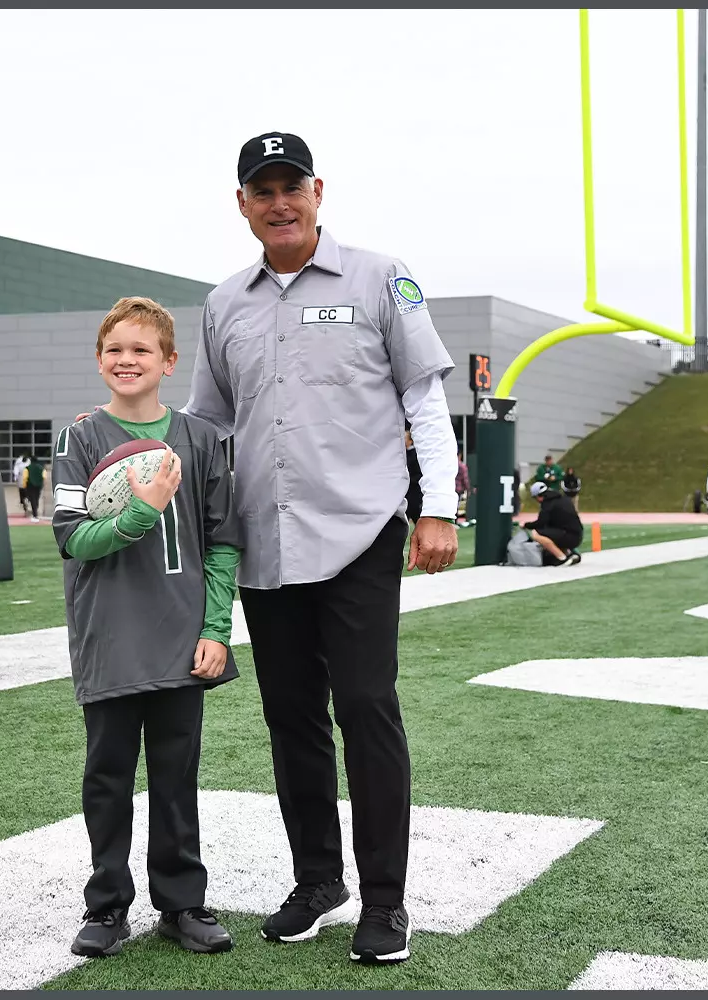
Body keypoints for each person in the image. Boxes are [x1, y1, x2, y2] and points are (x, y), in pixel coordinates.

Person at [181, 131, 460, 965]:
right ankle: (317, 879)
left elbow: (424, 396)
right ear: (242, 205)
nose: (279, 202)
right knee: (290, 718)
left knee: (368, 708)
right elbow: (210, 425)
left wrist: (438, 506)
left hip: (360, 530)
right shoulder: (223, 300)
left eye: (290, 186)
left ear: (318, 191)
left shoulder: (380, 277)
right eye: (261, 190)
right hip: (265, 539)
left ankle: (385, 901)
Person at [52, 296, 242, 960]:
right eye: (114, 349)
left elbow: (221, 543)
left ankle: (182, 902)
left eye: (141, 349)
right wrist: (141, 511)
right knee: (106, 775)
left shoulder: (201, 439)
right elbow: (73, 540)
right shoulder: (78, 437)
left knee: (175, 773)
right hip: (107, 633)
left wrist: (216, 628)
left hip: (181, 636)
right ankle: (106, 906)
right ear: (99, 359)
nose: (127, 360)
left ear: (169, 360)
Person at [522, 481, 583, 565]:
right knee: (552, 531)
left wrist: (526, 525)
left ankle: (562, 558)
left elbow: (541, 523)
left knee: (536, 534)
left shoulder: (547, 504)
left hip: (569, 536)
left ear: (538, 497)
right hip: (578, 535)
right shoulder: (562, 498)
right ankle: (570, 553)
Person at [24, 455, 45, 523]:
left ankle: (35, 514)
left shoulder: (27, 468)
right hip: (38, 485)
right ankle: (35, 513)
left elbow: (25, 477)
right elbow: (44, 476)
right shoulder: (41, 468)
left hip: (30, 485)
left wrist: (24, 486)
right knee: (36, 498)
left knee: (32, 499)